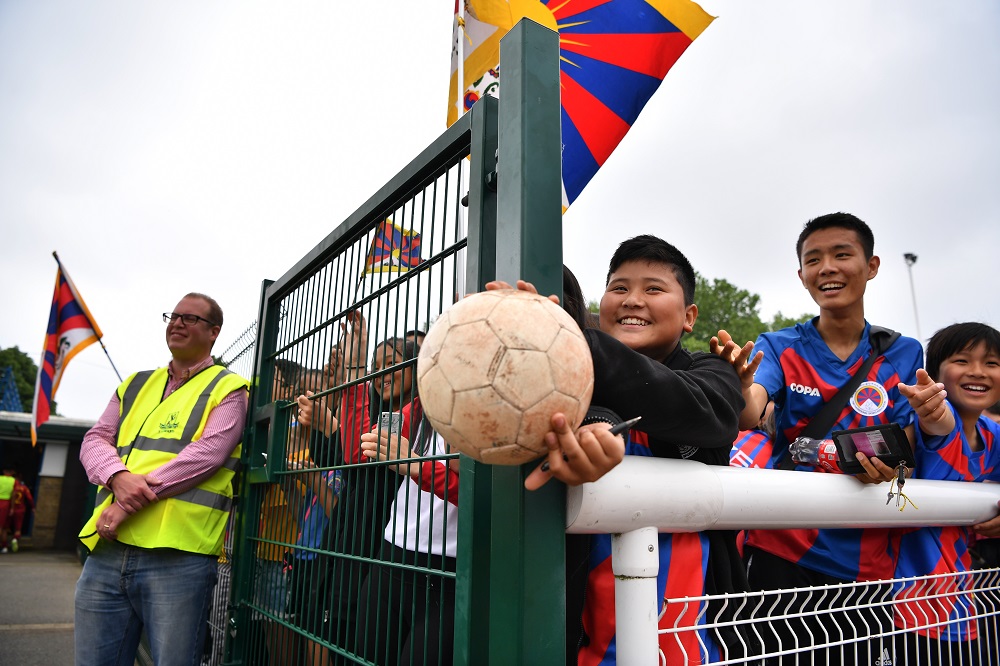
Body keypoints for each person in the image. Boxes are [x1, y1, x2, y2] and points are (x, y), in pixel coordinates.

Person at [713, 212, 924, 665]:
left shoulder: (904, 352)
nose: (827, 267)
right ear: (802, 276)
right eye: (814, 259)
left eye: (841, 254)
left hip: (865, 567)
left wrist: (893, 467)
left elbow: (906, 451)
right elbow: (752, 408)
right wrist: (735, 382)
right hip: (780, 548)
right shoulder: (779, 344)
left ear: (872, 265)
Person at [74, 293, 249, 666]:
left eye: (191, 318)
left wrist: (124, 501)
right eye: (173, 315)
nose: (178, 323)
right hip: (108, 551)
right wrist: (117, 475)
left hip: (179, 558)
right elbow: (94, 441)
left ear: (214, 332)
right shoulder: (135, 385)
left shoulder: (230, 388)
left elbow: (207, 455)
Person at [892, 322, 1000, 660]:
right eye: (963, 361)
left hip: (964, 607)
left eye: (992, 363)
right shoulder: (942, 419)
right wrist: (931, 409)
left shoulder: (992, 436)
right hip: (907, 610)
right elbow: (937, 422)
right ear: (935, 373)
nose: (978, 372)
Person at [8, 472, 35, 553]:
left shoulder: (10, 487)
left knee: (5, 527)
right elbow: (30, 498)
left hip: (9, 509)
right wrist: (33, 507)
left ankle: (4, 544)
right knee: (18, 528)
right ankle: (15, 539)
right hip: (20, 509)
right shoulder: (24, 488)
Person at [0, 466, 14, 553]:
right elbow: (13, 495)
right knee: (4, 527)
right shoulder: (14, 481)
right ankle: (4, 547)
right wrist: (12, 508)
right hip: (6, 504)